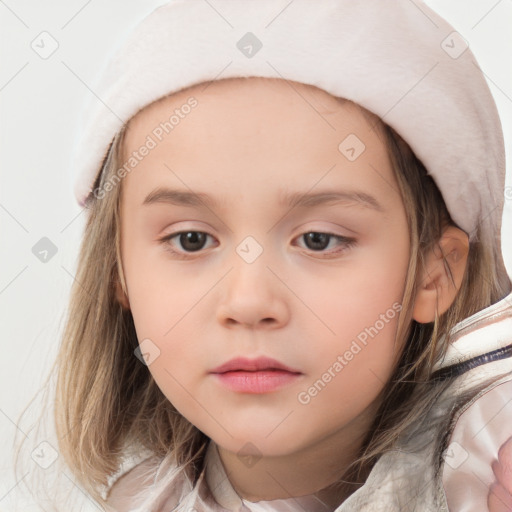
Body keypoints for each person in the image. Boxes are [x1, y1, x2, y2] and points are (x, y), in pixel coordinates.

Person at [35, 0, 512, 510]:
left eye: (318, 240)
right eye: (191, 239)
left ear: (433, 275)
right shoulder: (141, 500)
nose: (248, 302)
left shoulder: (486, 473)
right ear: (118, 271)